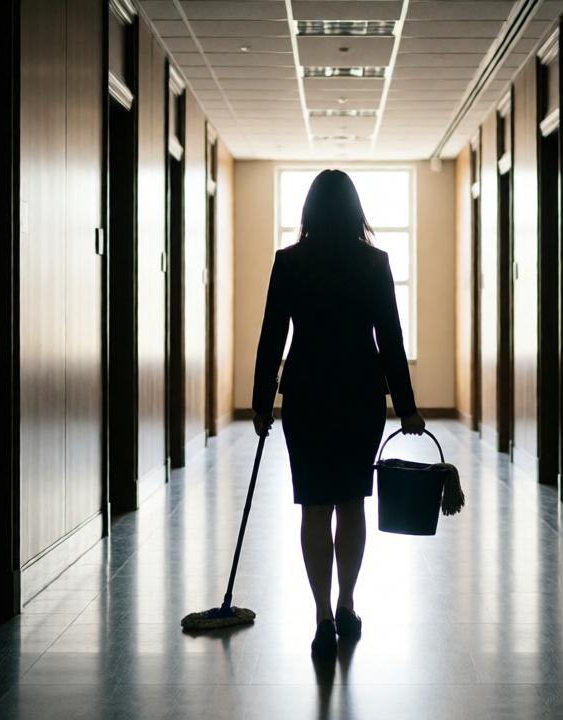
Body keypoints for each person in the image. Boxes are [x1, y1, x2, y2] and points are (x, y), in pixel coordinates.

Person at [252, 169, 425, 659]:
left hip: (306, 396)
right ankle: (348, 603)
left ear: (308, 211)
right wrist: (407, 407)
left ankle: (322, 614)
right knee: (351, 503)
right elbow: (389, 338)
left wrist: (262, 400)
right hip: (359, 395)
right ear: (355, 211)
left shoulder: (290, 262)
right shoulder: (374, 263)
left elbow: (273, 336)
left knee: (314, 506)